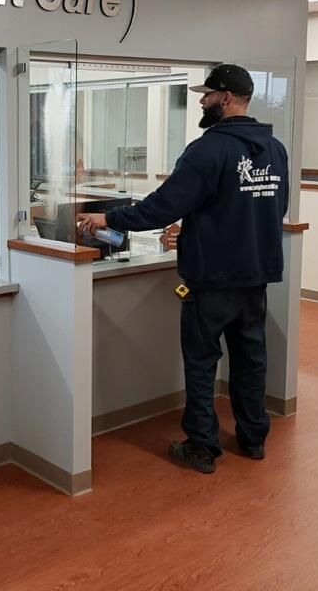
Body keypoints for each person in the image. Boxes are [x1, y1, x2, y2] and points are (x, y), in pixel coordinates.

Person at [78, 64, 289, 475]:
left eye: (207, 94)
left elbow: (163, 205)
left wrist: (112, 219)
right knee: (251, 360)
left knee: (201, 361)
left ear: (226, 98)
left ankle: (202, 446)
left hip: (211, 279)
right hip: (256, 276)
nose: (201, 100)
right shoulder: (275, 149)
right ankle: (253, 438)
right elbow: (272, 209)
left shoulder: (208, 149)